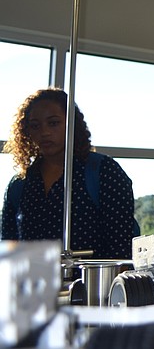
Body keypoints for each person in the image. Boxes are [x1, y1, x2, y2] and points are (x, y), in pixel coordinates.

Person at [1, 88, 136, 259]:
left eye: (53, 123)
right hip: (35, 284)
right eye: (35, 126)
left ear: (72, 124)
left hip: (94, 283)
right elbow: (10, 249)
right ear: (27, 132)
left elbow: (121, 247)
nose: (44, 132)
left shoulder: (103, 171)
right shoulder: (19, 184)